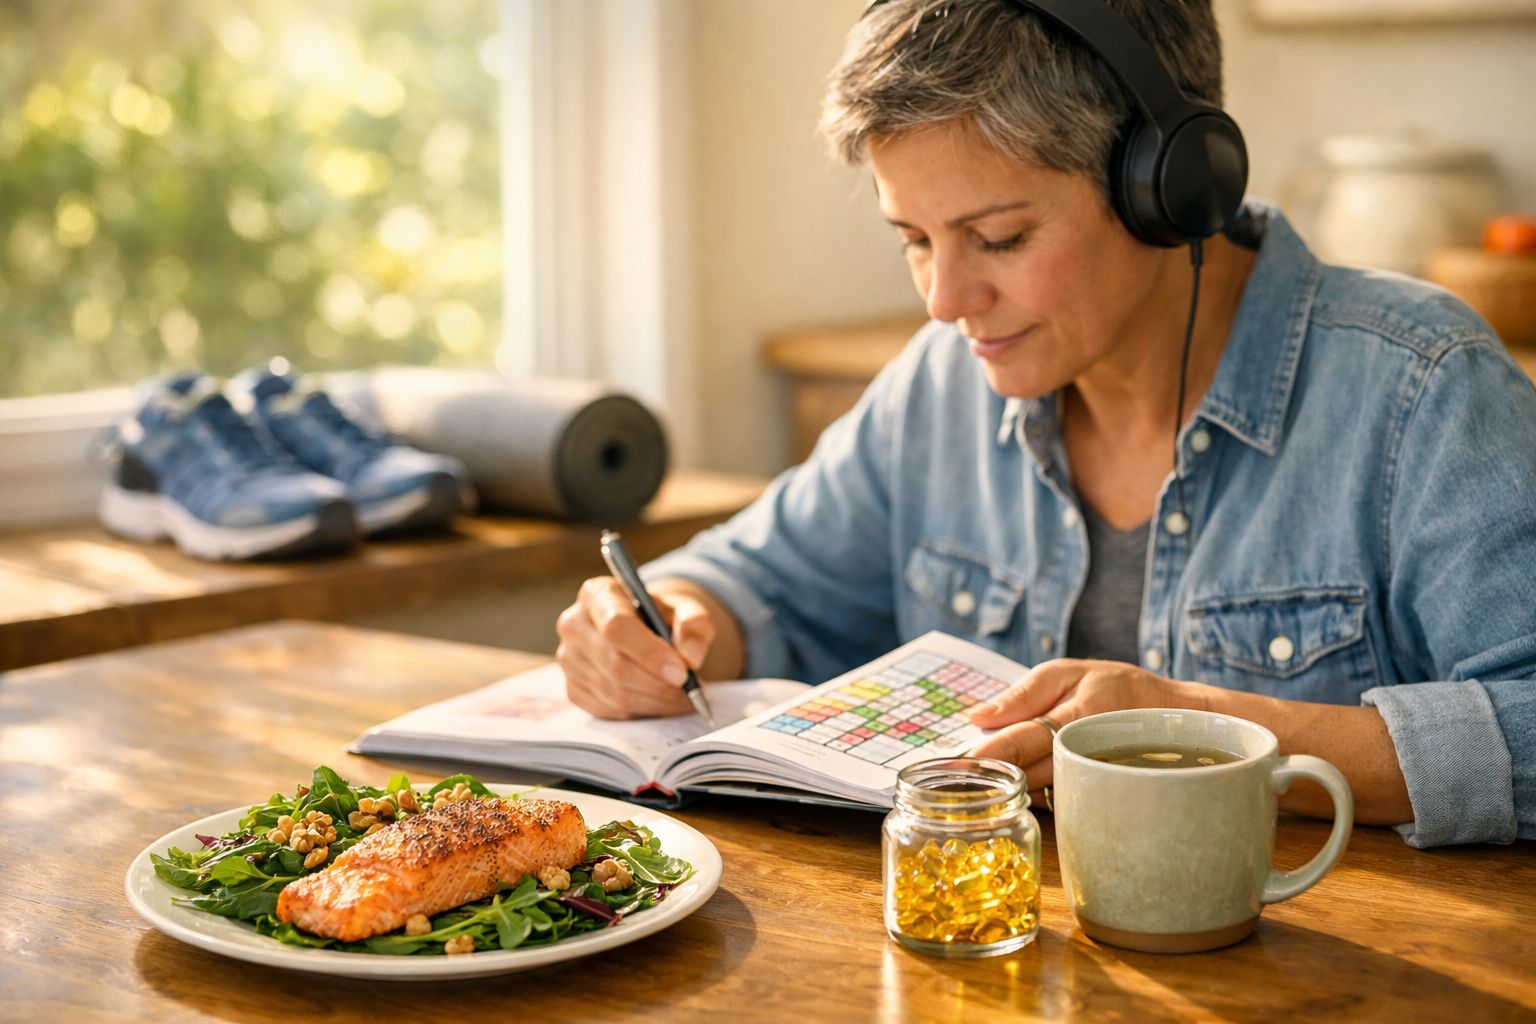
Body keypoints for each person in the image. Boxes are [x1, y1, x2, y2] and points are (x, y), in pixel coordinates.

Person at [555, 0, 1536, 848]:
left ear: (1170, 187)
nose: (944, 299)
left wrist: (1202, 725)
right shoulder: (942, 382)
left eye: (999, 237)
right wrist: (670, 622)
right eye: (913, 239)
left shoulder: (1422, 387)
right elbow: (761, 580)